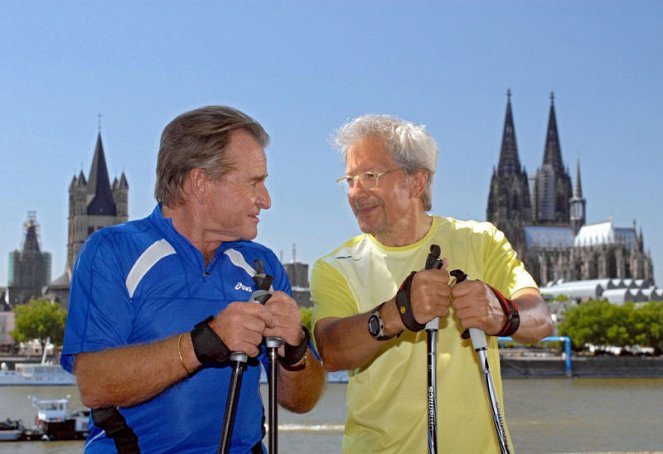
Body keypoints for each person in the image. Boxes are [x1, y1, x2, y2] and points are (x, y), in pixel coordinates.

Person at [61, 106, 325, 453]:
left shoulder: (262, 265)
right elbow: (95, 384)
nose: (267, 200)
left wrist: (294, 349)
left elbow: (301, 401)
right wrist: (203, 343)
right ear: (200, 183)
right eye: (254, 183)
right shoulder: (112, 251)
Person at [310, 114, 553, 453]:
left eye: (370, 176)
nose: (355, 192)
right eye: (349, 180)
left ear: (416, 182)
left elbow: (540, 319)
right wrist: (399, 313)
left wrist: (503, 314)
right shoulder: (335, 266)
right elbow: (331, 351)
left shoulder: (481, 241)